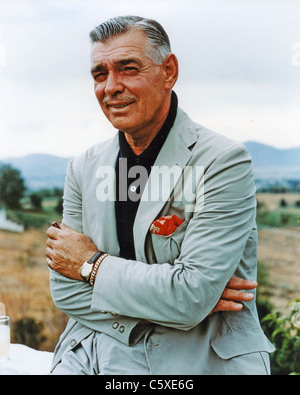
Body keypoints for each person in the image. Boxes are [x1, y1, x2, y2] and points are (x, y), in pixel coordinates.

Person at [46, 16, 274, 375]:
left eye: (128, 68)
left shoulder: (223, 160)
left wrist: (91, 265)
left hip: (199, 362)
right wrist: (176, 298)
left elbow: (189, 297)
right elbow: (65, 289)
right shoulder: (82, 167)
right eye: (99, 74)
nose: (111, 87)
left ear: (169, 71)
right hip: (94, 355)